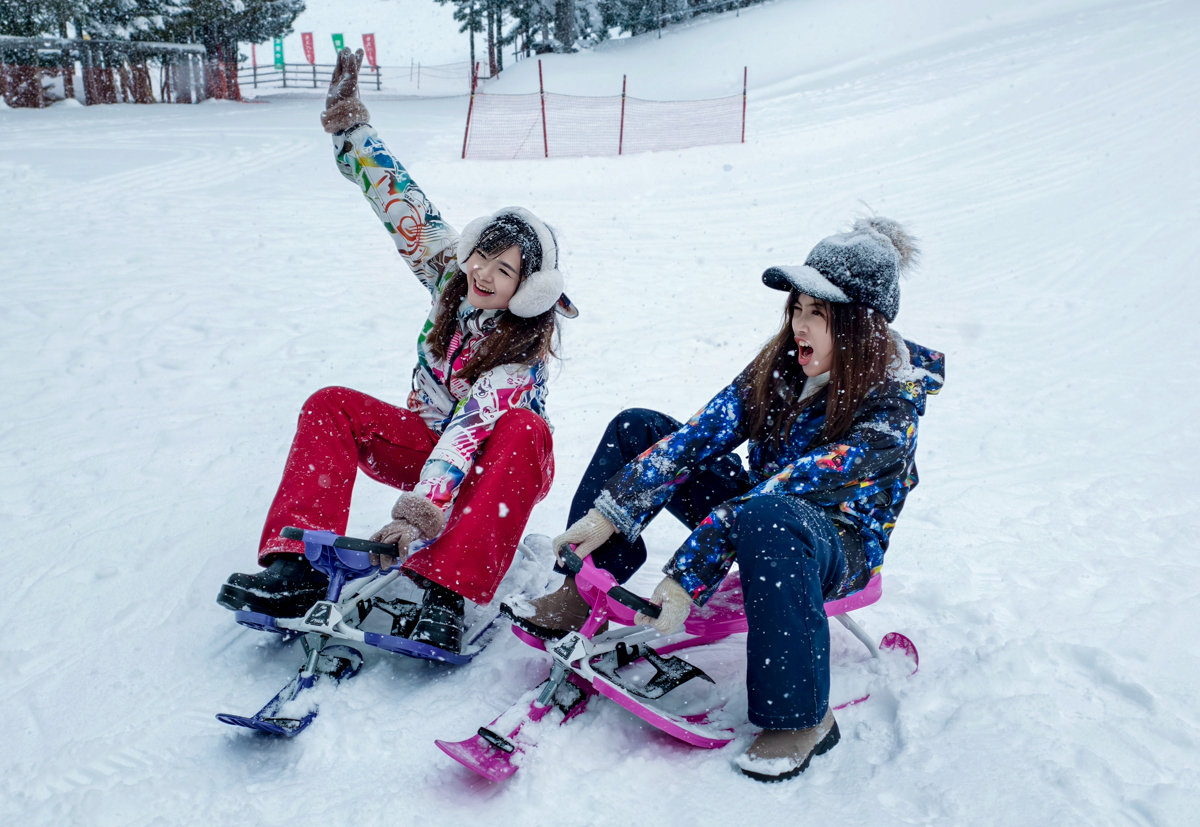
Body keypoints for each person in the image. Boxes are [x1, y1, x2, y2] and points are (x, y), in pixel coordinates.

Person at [504, 217, 944, 780]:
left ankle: (800, 719)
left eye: (819, 314)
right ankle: (581, 594)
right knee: (639, 428)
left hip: (838, 543)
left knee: (768, 511)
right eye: (798, 308)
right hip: (760, 511)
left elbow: (789, 489)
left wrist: (690, 574)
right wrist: (612, 511)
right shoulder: (784, 362)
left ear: (860, 327)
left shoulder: (891, 409)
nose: (800, 326)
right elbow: (696, 437)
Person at [217, 49, 577, 656]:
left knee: (521, 427)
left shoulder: (520, 356)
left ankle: (448, 592)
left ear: (530, 288)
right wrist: (351, 130)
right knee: (330, 404)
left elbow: (466, 436)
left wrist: (414, 522)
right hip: (426, 440)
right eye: (482, 256)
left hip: (498, 467)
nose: (485, 275)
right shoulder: (453, 278)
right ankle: (294, 570)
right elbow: (401, 203)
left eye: (505, 270)